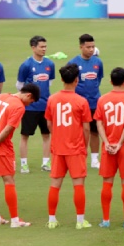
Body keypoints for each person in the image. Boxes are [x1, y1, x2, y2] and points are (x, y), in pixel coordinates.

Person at [0, 83, 40, 228]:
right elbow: (7, 129)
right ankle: (14, 220)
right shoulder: (19, 107)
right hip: (1, 148)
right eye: (30, 102)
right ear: (28, 95)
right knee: (9, 181)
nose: (29, 105)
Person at [44, 64, 93, 229]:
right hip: (76, 148)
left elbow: (49, 123)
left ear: (62, 79)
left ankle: (51, 219)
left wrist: (57, 136)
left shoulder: (52, 99)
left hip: (58, 148)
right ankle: (80, 221)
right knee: (78, 184)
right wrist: (84, 146)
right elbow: (86, 128)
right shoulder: (81, 101)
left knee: (55, 184)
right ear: (77, 80)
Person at [95, 67, 124, 229]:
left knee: (107, 182)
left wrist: (107, 142)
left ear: (110, 81)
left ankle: (105, 220)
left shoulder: (102, 100)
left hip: (108, 146)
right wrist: (120, 143)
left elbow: (99, 122)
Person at [16, 35, 55, 173]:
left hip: (45, 106)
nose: (44, 49)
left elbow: (49, 83)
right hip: (30, 107)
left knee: (46, 135)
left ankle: (46, 162)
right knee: (25, 135)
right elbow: (19, 85)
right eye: (41, 47)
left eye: (45, 46)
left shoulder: (50, 64)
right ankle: (24, 164)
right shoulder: (26, 65)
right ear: (33, 48)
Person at [69, 34, 104, 169]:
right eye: (88, 47)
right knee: (79, 132)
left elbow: (98, 79)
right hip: (78, 104)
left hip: (95, 102)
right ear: (81, 47)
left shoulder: (98, 62)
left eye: (93, 47)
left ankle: (95, 159)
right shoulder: (73, 63)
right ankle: (79, 156)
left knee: (95, 131)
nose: (91, 49)